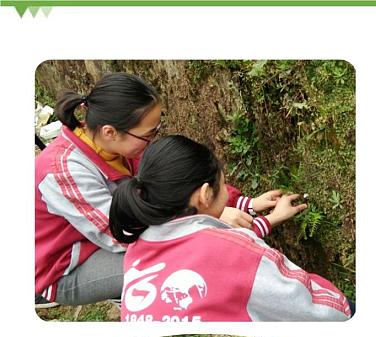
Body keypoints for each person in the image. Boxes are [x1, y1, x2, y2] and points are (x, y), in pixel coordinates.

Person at [34, 72, 287, 307]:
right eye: (149, 134)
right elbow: (121, 235)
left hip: (110, 235)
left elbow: (178, 182)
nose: (154, 140)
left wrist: (245, 204)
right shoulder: (63, 172)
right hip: (66, 267)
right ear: (110, 132)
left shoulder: (118, 144)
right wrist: (215, 218)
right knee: (182, 260)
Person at [109, 135, 351, 322]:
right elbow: (323, 313)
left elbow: (216, 258)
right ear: (204, 194)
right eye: (224, 185)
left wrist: (257, 211)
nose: (227, 193)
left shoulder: (136, 250)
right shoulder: (233, 250)